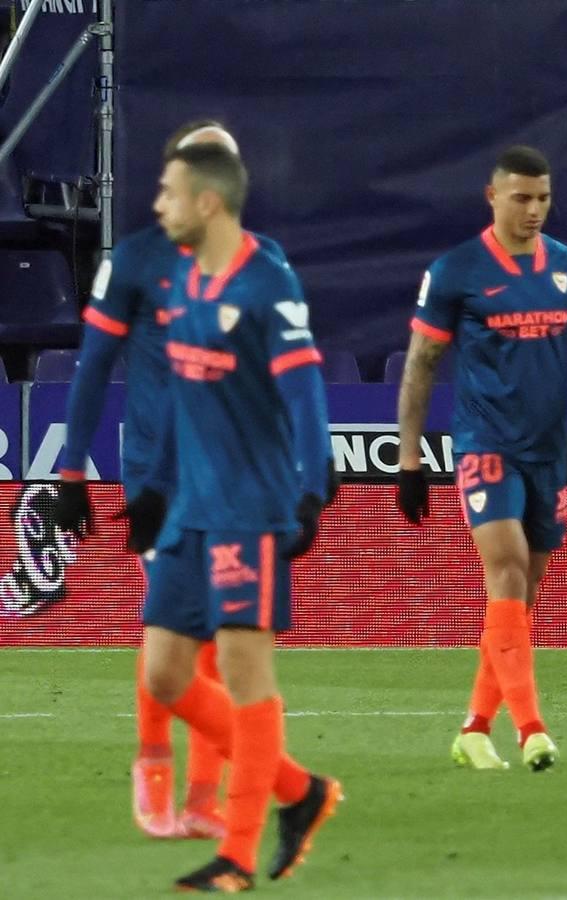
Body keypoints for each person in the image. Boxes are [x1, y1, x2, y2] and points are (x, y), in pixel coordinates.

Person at [51, 121, 286, 841]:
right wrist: (70, 469)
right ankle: (156, 776)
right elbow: (92, 367)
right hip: (160, 471)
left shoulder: (261, 263)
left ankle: (202, 796)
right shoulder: (134, 262)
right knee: (180, 628)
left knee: (220, 637)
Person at [396, 145, 567, 772]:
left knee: (521, 602)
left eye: (543, 199)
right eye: (522, 198)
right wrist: (410, 461)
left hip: (545, 452)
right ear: (493, 197)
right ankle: (533, 730)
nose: (534, 210)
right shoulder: (457, 271)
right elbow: (421, 365)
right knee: (504, 573)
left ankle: (474, 728)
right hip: (485, 445)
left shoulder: (563, 267)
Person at [141, 142, 341, 890]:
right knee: (163, 674)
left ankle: (238, 854)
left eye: (167, 192)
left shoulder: (266, 286)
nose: (156, 205)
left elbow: (306, 393)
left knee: (242, 670)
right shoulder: (185, 280)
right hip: (189, 512)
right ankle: (301, 790)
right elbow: (182, 402)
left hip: (248, 509)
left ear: (207, 202)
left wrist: (311, 488)